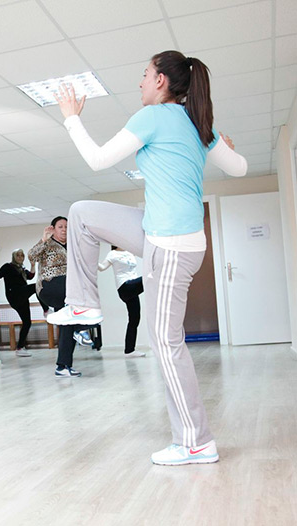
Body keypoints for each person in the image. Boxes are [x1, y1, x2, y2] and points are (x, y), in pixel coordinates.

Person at [47, 51, 247, 465]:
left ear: (160, 81)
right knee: (82, 213)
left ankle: (196, 441)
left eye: (144, 74)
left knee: (166, 344)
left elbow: (97, 160)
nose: (140, 82)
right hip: (162, 234)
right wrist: (226, 147)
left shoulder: (154, 116)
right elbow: (240, 168)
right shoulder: (199, 123)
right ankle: (82, 304)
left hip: (170, 246)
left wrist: (71, 118)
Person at [28, 217, 90, 377]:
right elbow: (32, 257)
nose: (64, 230)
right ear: (53, 229)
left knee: (67, 324)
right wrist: (43, 239)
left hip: (67, 291)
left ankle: (63, 366)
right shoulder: (47, 244)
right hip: (49, 285)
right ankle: (81, 329)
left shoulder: (73, 246)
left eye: (66, 227)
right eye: (60, 227)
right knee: (74, 291)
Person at [0, 249, 49, 357]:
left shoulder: (22, 268)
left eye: (22, 255)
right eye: (17, 255)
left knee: (27, 322)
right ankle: (46, 310)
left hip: (22, 297)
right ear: (13, 257)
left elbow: (30, 276)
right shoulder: (7, 267)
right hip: (14, 295)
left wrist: (32, 265)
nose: (20, 257)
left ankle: (20, 348)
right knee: (36, 286)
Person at [97, 245, 146, 358]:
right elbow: (102, 267)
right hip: (125, 287)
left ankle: (129, 350)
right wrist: (91, 260)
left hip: (133, 288)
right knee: (149, 278)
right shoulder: (113, 254)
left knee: (135, 319)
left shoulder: (131, 251)